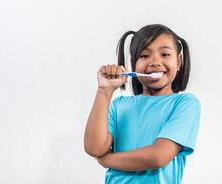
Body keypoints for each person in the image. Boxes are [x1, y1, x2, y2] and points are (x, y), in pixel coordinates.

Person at [84, 24, 201, 184]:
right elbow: (94, 148)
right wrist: (105, 91)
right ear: (133, 64)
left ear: (179, 62)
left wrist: (106, 159)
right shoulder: (119, 105)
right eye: (144, 56)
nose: (155, 62)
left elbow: (158, 156)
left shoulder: (185, 104)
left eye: (165, 54)